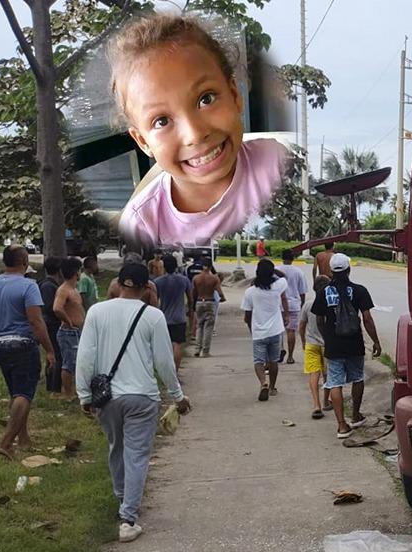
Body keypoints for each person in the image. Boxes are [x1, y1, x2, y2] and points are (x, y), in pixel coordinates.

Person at [110, 14, 288, 246]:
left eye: (206, 99)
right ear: (143, 141)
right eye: (162, 121)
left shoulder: (275, 162)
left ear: (234, 95)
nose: (194, 134)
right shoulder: (142, 223)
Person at [76, 262, 191, 543]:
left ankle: (123, 501)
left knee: (117, 448)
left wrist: (84, 394)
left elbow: (86, 355)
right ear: (146, 287)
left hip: (107, 397)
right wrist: (177, 395)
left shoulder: (96, 311)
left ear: (118, 283)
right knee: (137, 454)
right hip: (142, 396)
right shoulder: (153, 316)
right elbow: (164, 361)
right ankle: (128, 517)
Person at [0, 245, 57, 460]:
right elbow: (36, 321)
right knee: (24, 393)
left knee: (16, 392)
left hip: (1, 344)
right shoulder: (28, 286)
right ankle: (6, 443)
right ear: (24, 261)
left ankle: (23, 438)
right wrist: (49, 350)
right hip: (23, 344)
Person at [311, 254, 382, 439]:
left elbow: (320, 320)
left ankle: (342, 425)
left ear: (332, 271)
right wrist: (376, 341)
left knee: (335, 383)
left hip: (333, 344)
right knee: (357, 378)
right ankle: (356, 415)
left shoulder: (323, 292)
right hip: (354, 342)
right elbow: (367, 319)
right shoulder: (359, 291)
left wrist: (327, 337)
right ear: (349, 269)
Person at [241, 259, 288, 401]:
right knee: (274, 361)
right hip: (275, 331)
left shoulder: (250, 292)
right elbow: (284, 277)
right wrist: (273, 270)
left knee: (258, 361)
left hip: (259, 332)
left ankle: (263, 383)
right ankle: (273, 387)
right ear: (271, 273)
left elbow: (247, 316)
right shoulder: (277, 287)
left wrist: (251, 329)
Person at [52, 257, 86, 400]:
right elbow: (57, 308)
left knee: (77, 361)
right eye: (79, 270)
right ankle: (68, 393)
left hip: (77, 331)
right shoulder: (64, 290)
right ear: (75, 273)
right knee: (69, 362)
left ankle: (75, 390)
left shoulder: (74, 289)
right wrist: (68, 320)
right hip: (68, 332)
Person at [152, 255, 192, 370]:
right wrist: (190, 310)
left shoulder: (158, 282)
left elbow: (155, 299)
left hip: (164, 317)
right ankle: (175, 372)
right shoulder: (183, 280)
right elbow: (190, 298)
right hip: (179, 317)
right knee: (177, 345)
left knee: (165, 346)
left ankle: (165, 371)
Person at [300, 276, 330, 419]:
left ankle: (316, 405)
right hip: (327, 344)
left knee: (314, 374)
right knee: (327, 375)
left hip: (311, 344)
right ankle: (326, 401)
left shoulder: (307, 304)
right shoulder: (330, 304)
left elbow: (301, 326)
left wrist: (303, 341)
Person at [38, 257, 64, 394]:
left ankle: (52, 384)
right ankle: (54, 386)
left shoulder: (50, 284)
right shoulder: (49, 286)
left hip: (50, 323)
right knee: (56, 355)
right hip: (51, 324)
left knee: (54, 355)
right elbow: (49, 307)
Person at [279, 249, 308, 364]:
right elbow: (302, 291)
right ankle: (290, 357)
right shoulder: (298, 272)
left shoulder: (276, 270)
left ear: (282, 258)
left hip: (279, 304)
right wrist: (302, 303)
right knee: (291, 331)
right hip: (293, 304)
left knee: (278, 330)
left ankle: (280, 350)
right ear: (293, 258)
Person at [191, 259, 225, 357]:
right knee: (208, 327)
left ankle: (197, 349)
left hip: (199, 301)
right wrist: (222, 298)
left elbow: (193, 293)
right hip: (210, 301)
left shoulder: (196, 278)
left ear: (202, 266)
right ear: (210, 267)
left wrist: (193, 304)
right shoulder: (214, 279)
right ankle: (205, 351)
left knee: (199, 326)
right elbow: (219, 292)